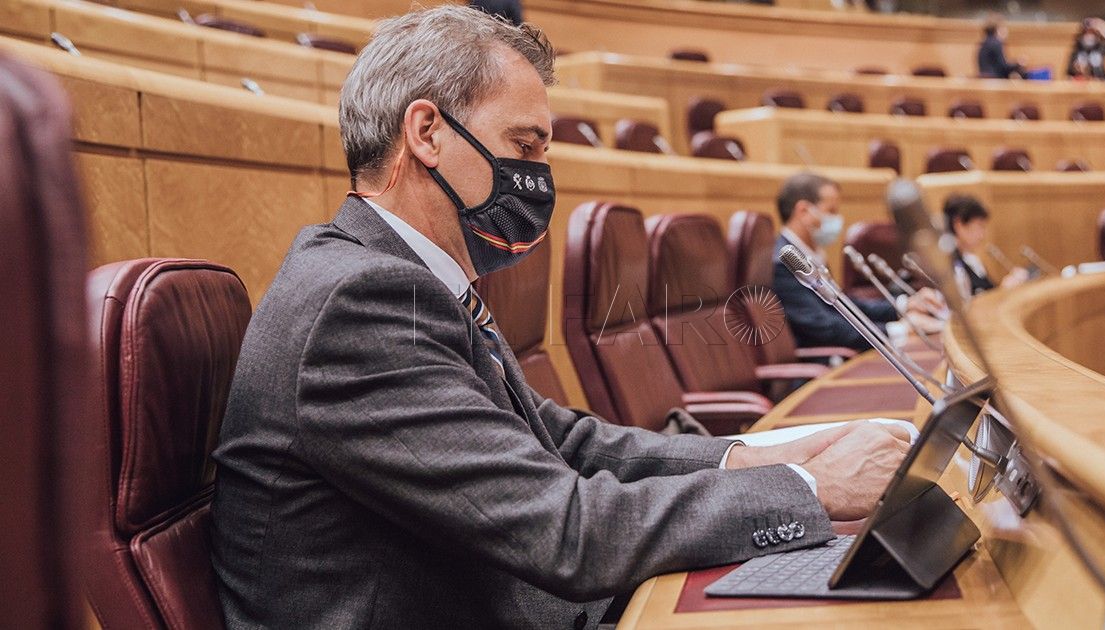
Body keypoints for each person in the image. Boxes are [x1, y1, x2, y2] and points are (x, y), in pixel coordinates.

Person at [211, 8, 912, 629]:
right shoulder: (359, 302)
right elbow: (564, 530)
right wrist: (816, 491)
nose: (541, 175)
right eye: (525, 146)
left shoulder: (401, 279)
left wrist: (769, 457)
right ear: (426, 131)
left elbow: (566, 443)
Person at [772, 172, 943, 352]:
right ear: (803, 211)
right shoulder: (784, 263)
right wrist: (900, 330)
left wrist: (904, 305)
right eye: (831, 211)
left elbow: (845, 305)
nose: (837, 219)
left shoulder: (809, 254)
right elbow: (822, 326)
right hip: (823, 364)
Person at [942, 194, 1028, 295]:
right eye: (980, 226)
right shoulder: (946, 265)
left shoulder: (972, 260)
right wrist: (1003, 291)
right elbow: (966, 305)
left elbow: (989, 291)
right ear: (959, 225)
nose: (982, 235)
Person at [977, 14, 1025, 79]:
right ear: (998, 29)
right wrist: (1018, 63)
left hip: (984, 79)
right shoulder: (996, 43)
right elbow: (1003, 67)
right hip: (994, 81)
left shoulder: (984, 42)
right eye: (1004, 28)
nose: (1006, 31)